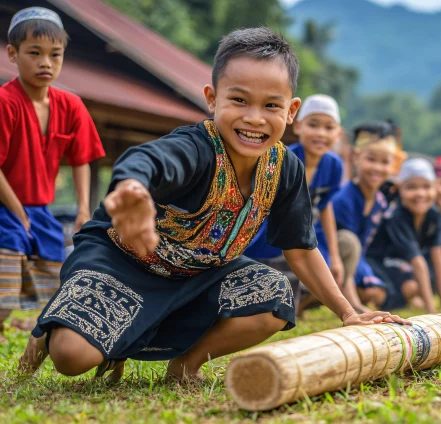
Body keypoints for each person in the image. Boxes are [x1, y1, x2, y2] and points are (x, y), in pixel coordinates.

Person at [19, 27, 407, 381]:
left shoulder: (286, 168)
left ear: (291, 112)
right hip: (123, 263)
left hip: (198, 275)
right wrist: (132, 188)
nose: (254, 119)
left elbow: (301, 249)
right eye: (238, 100)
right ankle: (60, 319)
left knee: (273, 295)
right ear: (211, 98)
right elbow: (148, 160)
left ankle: (186, 366)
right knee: (71, 358)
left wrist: (348, 312)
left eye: (271, 106)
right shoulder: (196, 147)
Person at [0, 7, 106, 343]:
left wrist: (84, 210)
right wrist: (16, 209)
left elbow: (81, 159)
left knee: (53, 286)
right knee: (5, 291)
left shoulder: (71, 105)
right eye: (34, 53)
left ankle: (47, 337)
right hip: (5, 206)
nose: (46, 62)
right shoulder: (4, 102)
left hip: (41, 209)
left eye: (55, 54)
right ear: (13, 55)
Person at [244, 94, 347, 311]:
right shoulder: (284, 159)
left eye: (329, 127)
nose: (320, 133)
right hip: (271, 234)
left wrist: (335, 256)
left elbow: (325, 206)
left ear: (338, 133)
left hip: (305, 237)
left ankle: (299, 308)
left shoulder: (334, 166)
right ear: (298, 126)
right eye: (313, 125)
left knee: (324, 272)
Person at [365, 159, 441, 312]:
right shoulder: (395, 216)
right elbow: (416, 261)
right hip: (380, 263)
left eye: (426, 187)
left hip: (404, 266)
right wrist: (432, 311)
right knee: (403, 288)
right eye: (411, 187)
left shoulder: (435, 215)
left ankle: (412, 299)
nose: (420, 194)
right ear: (399, 189)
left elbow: (438, 255)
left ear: (435, 187)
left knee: (419, 280)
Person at [330, 121, 398, 313]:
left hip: (356, 259)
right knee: (371, 293)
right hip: (331, 257)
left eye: (384, 162)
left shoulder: (379, 201)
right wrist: (356, 308)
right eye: (371, 159)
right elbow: (349, 249)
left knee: (381, 294)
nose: (377, 168)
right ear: (357, 157)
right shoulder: (344, 199)